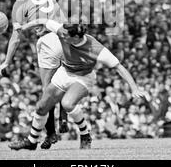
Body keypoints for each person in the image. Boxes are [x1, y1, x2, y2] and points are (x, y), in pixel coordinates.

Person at [8, 19, 148, 150]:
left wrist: (134, 88)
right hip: (65, 72)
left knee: (67, 103)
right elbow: (42, 20)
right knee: (41, 107)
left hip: (84, 77)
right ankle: (32, 142)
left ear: (76, 38)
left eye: (66, 36)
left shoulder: (96, 49)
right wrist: (22, 27)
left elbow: (119, 67)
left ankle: (85, 134)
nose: (62, 37)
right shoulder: (64, 31)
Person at [0, 0, 70, 149]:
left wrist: (6, 61)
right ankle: (63, 119)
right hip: (67, 37)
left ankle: (51, 133)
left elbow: (16, 37)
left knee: (48, 90)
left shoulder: (18, 5)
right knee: (62, 81)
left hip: (49, 40)